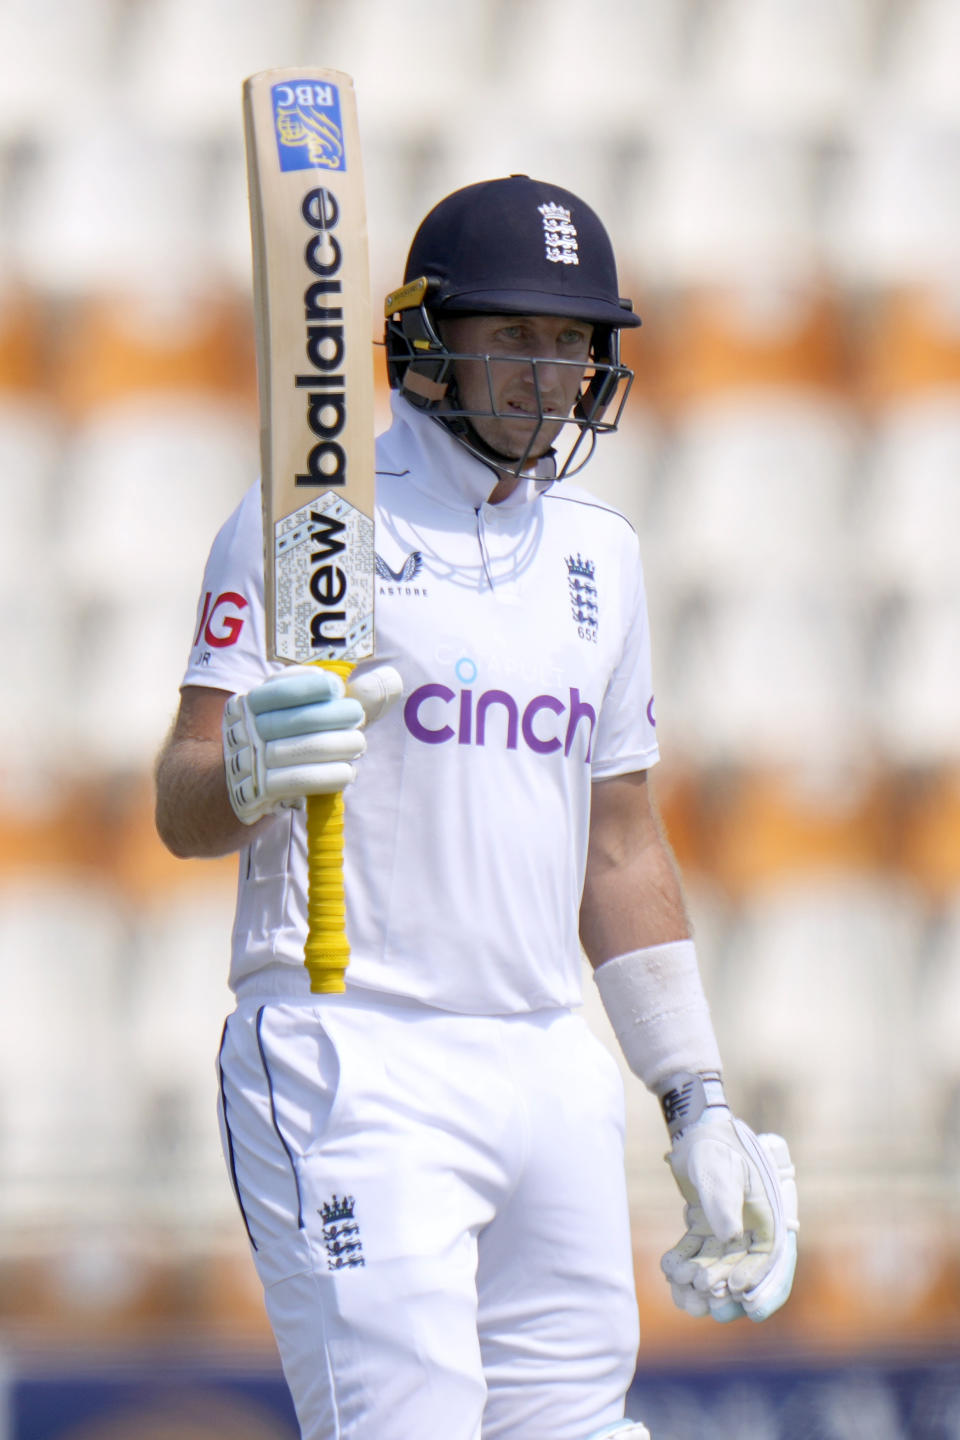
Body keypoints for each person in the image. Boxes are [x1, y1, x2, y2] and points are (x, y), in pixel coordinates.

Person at [154, 175, 798, 1440]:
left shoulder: (598, 556)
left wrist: (695, 1096)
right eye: (513, 334)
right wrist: (245, 771)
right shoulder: (312, 522)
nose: (546, 373)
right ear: (428, 338)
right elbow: (182, 801)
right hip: (355, 1050)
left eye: (571, 342)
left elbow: (618, 842)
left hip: (545, 1059)